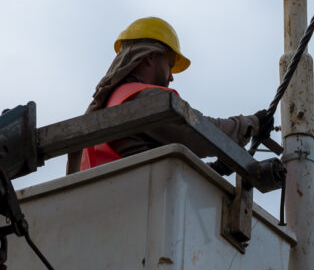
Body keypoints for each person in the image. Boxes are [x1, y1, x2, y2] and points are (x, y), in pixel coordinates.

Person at [66, 17, 271, 173]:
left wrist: (213, 171)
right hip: (140, 211)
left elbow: (147, 159)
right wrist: (252, 124)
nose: (171, 77)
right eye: (169, 65)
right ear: (150, 57)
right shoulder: (143, 99)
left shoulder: (106, 105)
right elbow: (199, 131)